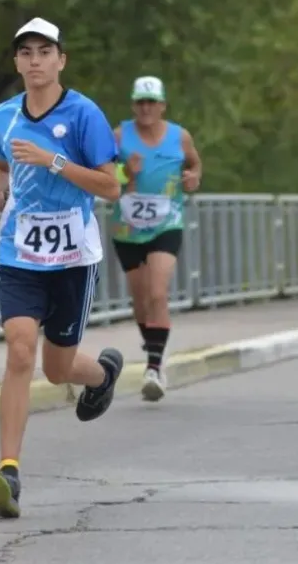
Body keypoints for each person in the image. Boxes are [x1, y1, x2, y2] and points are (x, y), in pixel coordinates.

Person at [0, 17, 125, 519]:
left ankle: (100, 375)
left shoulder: (84, 115)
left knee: (58, 367)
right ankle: (9, 472)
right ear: (16, 62)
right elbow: (1, 162)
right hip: (19, 251)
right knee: (20, 352)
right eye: (26, 53)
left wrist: (52, 161)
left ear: (61, 59)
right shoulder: (2, 115)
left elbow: (110, 187)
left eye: (44, 51)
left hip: (72, 256)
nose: (35, 61)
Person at [110, 76, 202, 402]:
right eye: (140, 102)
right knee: (140, 299)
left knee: (157, 291)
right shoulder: (120, 136)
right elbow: (102, 176)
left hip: (167, 222)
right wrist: (126, 173)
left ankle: (153, 367)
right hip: (127, 228)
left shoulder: (180, 136)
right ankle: (152, 347)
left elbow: (195, 164)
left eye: (152, 102)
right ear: (134, 105)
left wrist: (193, 178)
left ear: (162, 105)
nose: (146, 108)